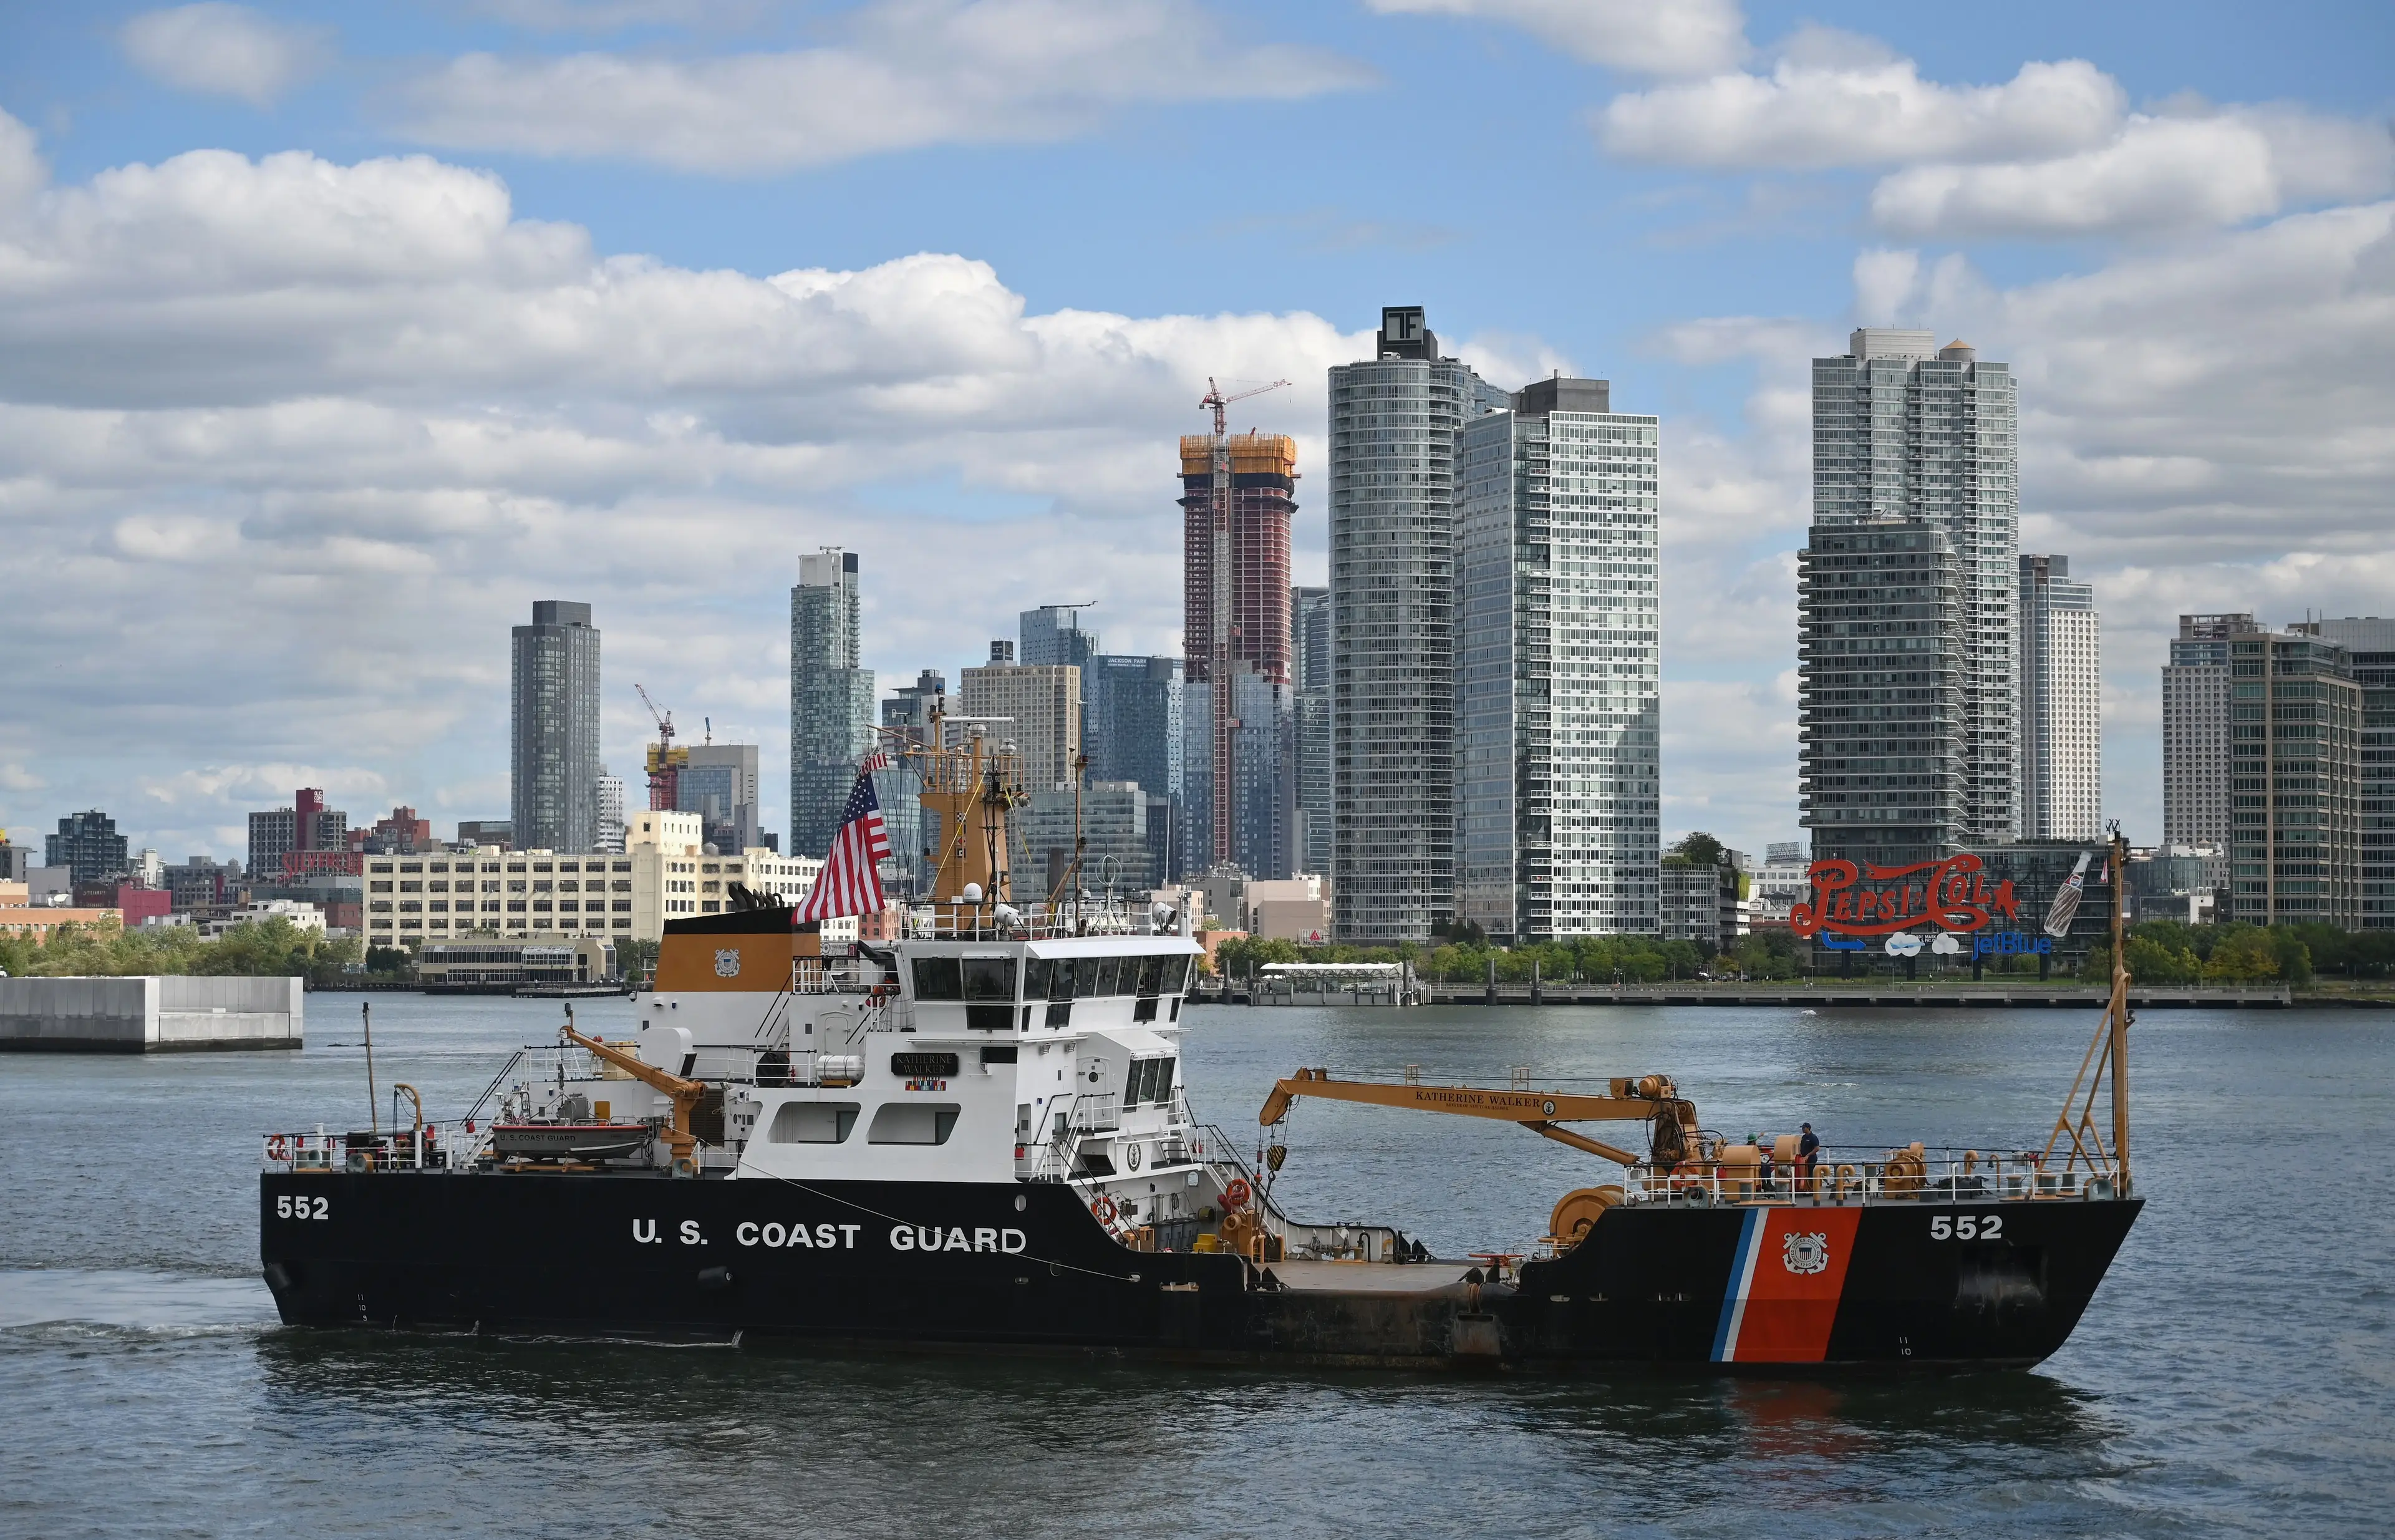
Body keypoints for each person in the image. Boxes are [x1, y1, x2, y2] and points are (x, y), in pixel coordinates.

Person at [1798, 1122, 1821, 1191]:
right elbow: (1801, 1146)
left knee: (1811, 1173)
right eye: (1802, 1128)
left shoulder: (1813, 1137)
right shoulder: (1804, 1137)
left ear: (1808, 1128)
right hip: (1803, 1159)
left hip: (1811, 1158)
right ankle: (1806, 1187)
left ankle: (1812, 1189)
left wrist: (1808, 1155)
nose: (1803, 1129)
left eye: (1804, 1128)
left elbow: (1817, 1148)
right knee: (1805, 1173)